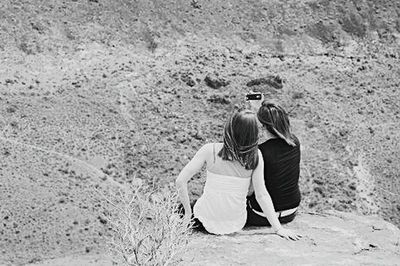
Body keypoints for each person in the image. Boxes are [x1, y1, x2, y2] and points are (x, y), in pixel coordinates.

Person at [176, 110, 301, 240]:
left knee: (182, 208)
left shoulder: (209, 149)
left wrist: (187, 215)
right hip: (236, 222)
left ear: (229, 128)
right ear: (254, 134)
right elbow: (261, 195)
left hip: (205, 218)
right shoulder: (256, 156)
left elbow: (180, 181)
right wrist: (278, 228)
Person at [246, 101, 301, 227]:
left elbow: (250, 191)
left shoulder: (260, 152)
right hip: (290, 212)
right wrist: (260, 107)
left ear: (263, 127)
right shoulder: (294, 142)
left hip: (262, 215)